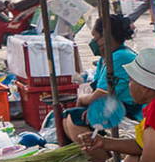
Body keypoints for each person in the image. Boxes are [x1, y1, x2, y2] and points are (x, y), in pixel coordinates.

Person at [59, 14, 145, 147]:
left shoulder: (120, 57)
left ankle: (102, 159)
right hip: (113, 105)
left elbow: (101, 94)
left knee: (75, 119)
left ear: (106, 38)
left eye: (95, 37)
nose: (92, 42)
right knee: (67, 117)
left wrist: (82, 100)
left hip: (130, 111)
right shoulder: (104, 59)